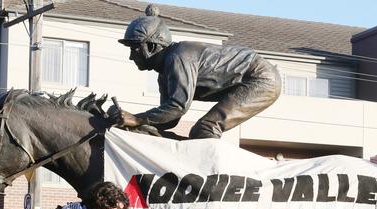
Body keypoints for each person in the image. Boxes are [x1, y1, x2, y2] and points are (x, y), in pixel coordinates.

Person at [111, 5, 281, 139]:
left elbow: (178, 107)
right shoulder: (164, 75)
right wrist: (130, 120)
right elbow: (170, 118)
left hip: (260, 78)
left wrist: (138, 119)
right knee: (200, 131)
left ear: (152, 46)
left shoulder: (177, 58)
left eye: (135, 49)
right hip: (253, 76)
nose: (131, 56)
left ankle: (215, 177)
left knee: (205, 128)